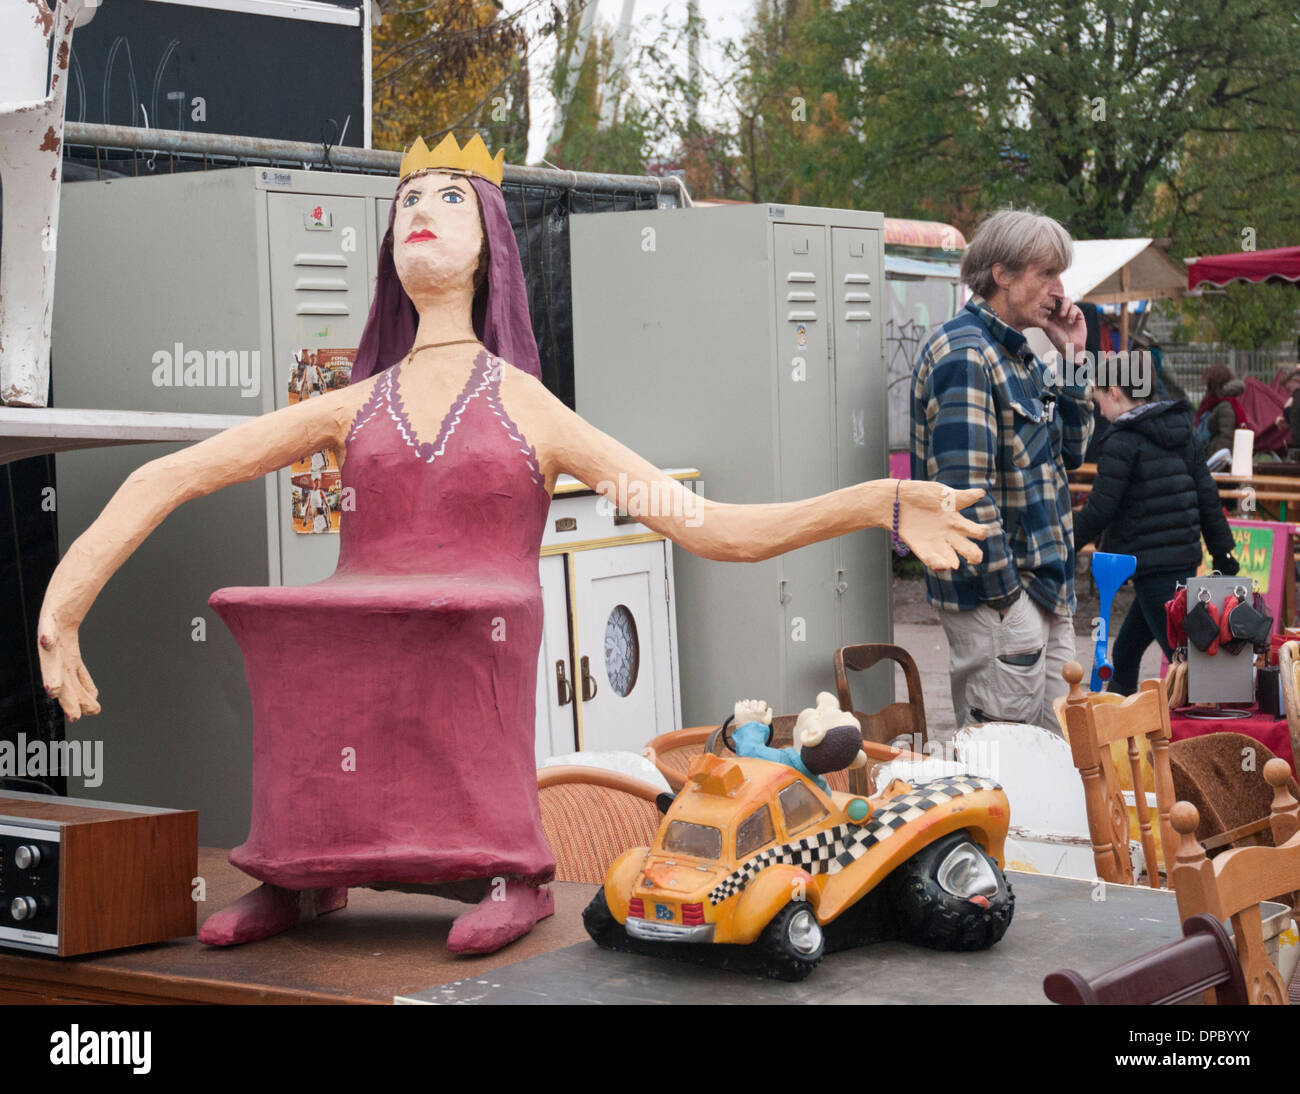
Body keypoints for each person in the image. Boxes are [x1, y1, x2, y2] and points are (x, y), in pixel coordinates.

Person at [38, 134, 988, 955]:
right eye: (408, 198)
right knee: (296, 632)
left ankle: (511, 872)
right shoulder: (350, 405)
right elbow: (168, 474)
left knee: (465, 636)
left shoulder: (528, 406)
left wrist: (874, 501)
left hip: (479, 619)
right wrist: (63, 609)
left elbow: (713, 529)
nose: (421, 211)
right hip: (362, 611)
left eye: (450, 198)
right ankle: (299, 870)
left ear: (491, 243)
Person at [911, 207, 1094, 731]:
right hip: (1002, 600)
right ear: (1002, 274)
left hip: (1044, 592)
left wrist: (1073, 359)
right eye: (1046, 274)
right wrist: (1005, 599)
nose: (1060, 291)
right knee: (1003, 764)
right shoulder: (967, 354)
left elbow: (1074, 454)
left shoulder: (1021, 355)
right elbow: (963, 495)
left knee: (1062, 753)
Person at [1073, 372, 1238, 695]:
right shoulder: (1182, 432)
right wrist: (1223, 552)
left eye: (1100, 400)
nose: (1100, 410)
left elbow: (1100, 510)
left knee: (1185, 667)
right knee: (1127, 652)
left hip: (1150, 564)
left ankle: (1200, 738)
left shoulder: (1122, 440)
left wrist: (1060, 545)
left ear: (1116, 392)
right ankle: (1122, 735)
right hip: (1180, 559)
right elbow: (1207, 496)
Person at [1195, 364, 1246, 459]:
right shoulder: (1216, 403)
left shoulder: (1224, 406)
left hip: (1215, 458)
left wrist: (1215, 460)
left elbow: (1226, 438)